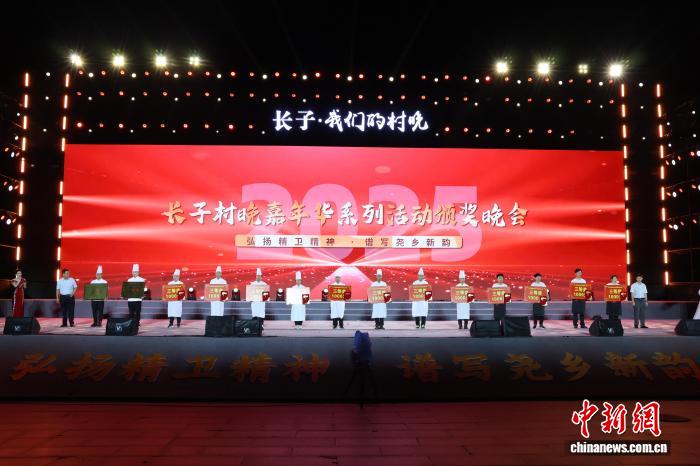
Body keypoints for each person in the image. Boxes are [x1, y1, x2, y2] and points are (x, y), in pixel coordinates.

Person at [344, 331, 377, 407]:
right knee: (367, 379)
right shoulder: (364, 338)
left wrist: (355, 359)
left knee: (363, 380)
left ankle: (357, 399)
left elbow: (356, 350)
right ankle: (374, 396)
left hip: (361, 361)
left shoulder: (359, 338)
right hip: (366, 360)